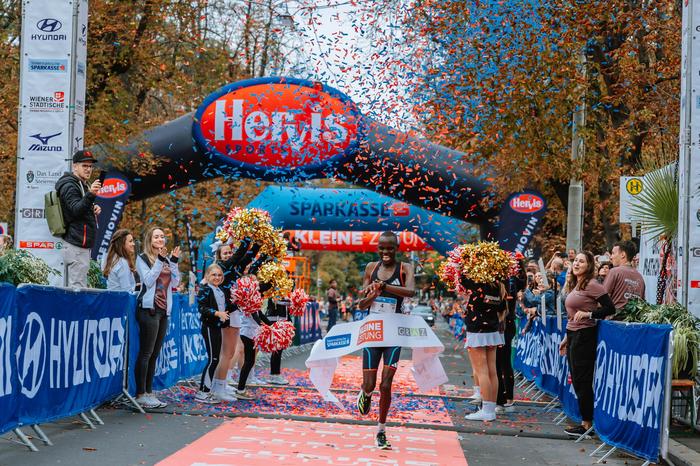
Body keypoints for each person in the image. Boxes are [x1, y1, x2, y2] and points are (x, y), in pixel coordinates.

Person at [356, 231, 415, 450]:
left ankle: (381, 430)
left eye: (390, 248)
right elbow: (361, 304)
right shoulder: (371, 268)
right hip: (373, 332)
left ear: (396, 248)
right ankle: (366, 392)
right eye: (382, 247)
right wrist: (372, 293)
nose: (386, 252)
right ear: (377, 247)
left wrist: (384, 287)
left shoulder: (405, 268)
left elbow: (410, 291)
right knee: (370, 384)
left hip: (394, 333)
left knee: (386, 384)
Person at [559, 251, 616, 438]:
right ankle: (585, 421)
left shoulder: (593, 285)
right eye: (575, 260)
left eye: (581, 261)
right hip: (573, 334)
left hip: (585, 335)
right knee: (576, 379)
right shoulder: (577, 285)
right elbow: (572, 315)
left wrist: (589, 315)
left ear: (589, 265)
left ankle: (586, 424)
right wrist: (567, 337)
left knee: (582, 380)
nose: (576, 264)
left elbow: (610, 308)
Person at [135, 227, 181, 409]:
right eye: (157, 236)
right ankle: (141, 394)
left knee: (154, 354)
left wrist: (174, 262)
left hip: (163, 311)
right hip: (148, 309)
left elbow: (175, 283)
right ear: (150, 240)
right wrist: (160, 261)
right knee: (146, 353)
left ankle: (150, 392)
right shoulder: (143, 258)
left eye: (162, 236)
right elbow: (148, 280)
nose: (160, 239)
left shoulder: (167, 260)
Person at [462, 277, 507, 422]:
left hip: (477, 331)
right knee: (492, 371)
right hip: (492, 330)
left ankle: (487, 411)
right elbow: (501, 308)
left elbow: (462, 278)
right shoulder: (498, 285)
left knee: (482, 371)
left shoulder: (479, 283)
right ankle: (490, 408)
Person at [55, 150, 102, 288]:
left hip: (79, 243)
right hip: (75, 243)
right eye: (84, 166)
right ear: (75, 166)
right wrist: (91, 195)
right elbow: (75, 210)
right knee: (77, 288)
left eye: (90, 166)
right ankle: (73, 310)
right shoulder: (70, 185)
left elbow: (80, 208)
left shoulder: (81, 183)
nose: (88, 169)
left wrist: (92, 208)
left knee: (78, 286)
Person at [195, 264, 232, 403]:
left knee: (215, 359)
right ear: (207, 276)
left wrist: (243, 302)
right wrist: (217, 313)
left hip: (217, 327)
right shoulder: (205, 289)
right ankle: (203, 392)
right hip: (209, 327)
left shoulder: (220, 290)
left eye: (219, 275)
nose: (217, 277)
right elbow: (202, 308)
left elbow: (227, 307)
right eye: (213, 275)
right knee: (212, 359)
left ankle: (206, 390)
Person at [605, 240, 645, 311]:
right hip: (632, 320)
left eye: (613, 253)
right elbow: (642, 303)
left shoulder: (614, 272)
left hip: (614, 319)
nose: (611, 257)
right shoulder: (640, 277)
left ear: (623, 255)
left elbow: (602, 298)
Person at [266, 296, 290, 385]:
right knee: (277, 349)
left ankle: (274, 374)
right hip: (276, 320)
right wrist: (290, 301)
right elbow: (275, 300)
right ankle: (275, 375)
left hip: (281, 319)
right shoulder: (275, 289)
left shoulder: (282, 290)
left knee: (278, 349)